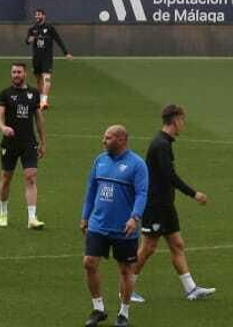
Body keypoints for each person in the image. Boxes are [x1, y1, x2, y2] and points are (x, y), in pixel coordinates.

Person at [132, 104, 215, 303]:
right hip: (156, 205)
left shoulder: (165, 143)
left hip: (166, 205)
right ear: (175, 120)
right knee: (148, 248)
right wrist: (194, 194)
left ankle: (191, 289)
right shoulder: (160, 145)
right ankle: (126, 288)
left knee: (177, 244)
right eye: (182, 120)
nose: (183, 124)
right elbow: (170, 176)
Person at [80, 125, 149, 327]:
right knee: (89, 263)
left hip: (124, 228)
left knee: (126, 271)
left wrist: (134, 218)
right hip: (98, 224)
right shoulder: (99, 161)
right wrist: (85, 217)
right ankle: (98, 309)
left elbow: (142, 194)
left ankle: (124, 313)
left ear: (121, 140)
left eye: (108, 138)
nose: (103, 140)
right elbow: (91, 190)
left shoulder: (137, 165)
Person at [0, 61, 46, 229]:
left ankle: (32, 218)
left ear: (25, 74)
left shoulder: (34, 93)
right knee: (6, 178)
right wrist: (3, 127)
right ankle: (3, 212)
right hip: (9, 143)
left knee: (30, 177)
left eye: (19, 72)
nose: (16, 75)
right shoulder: (5, 94)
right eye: (14, 72)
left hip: (29, 142)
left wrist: (43, 142)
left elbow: (38, 119)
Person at [25, 8, 71, 110]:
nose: (37, 16)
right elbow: (27, 41)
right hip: (36, 58)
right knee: (38, 80)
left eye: (39, 15)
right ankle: (41, 100)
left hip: (47, 58)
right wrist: (30, 39)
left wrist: (66, 53)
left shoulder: (50, 28)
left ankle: (44, 101)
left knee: (47, 79)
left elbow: (58, 40)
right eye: (36, 15)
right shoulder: (32, 29)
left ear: (44, 16)